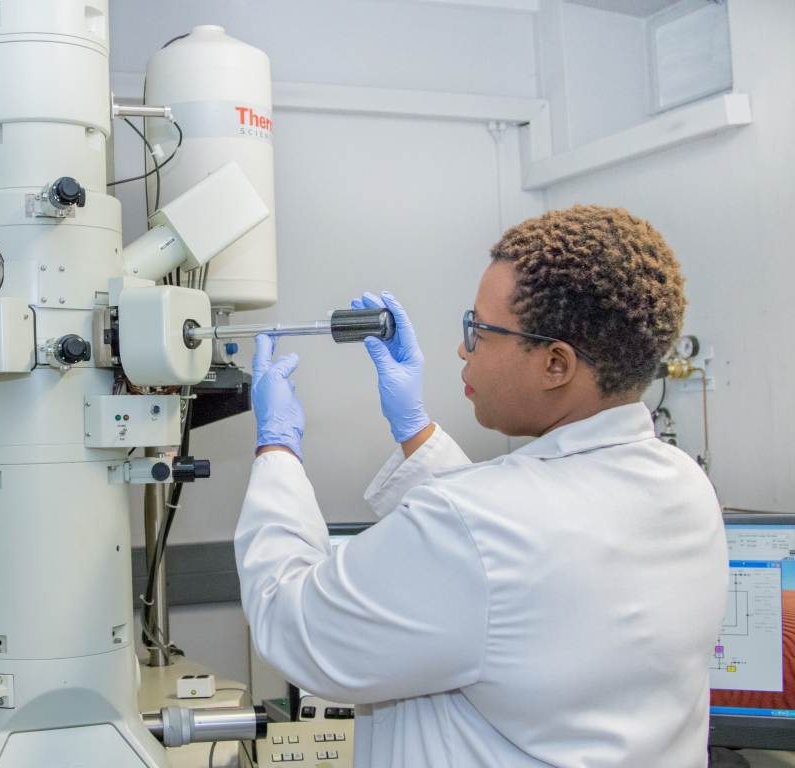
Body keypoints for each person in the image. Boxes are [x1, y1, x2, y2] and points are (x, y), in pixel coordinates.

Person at [235, 205, 729, 767]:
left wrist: (277, 448)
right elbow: (504, 555)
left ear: (556, 365)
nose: (463, 348)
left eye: (481, 330)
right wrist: (414, 429)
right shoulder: (687, 487)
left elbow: (291, 622)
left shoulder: (480, 526)